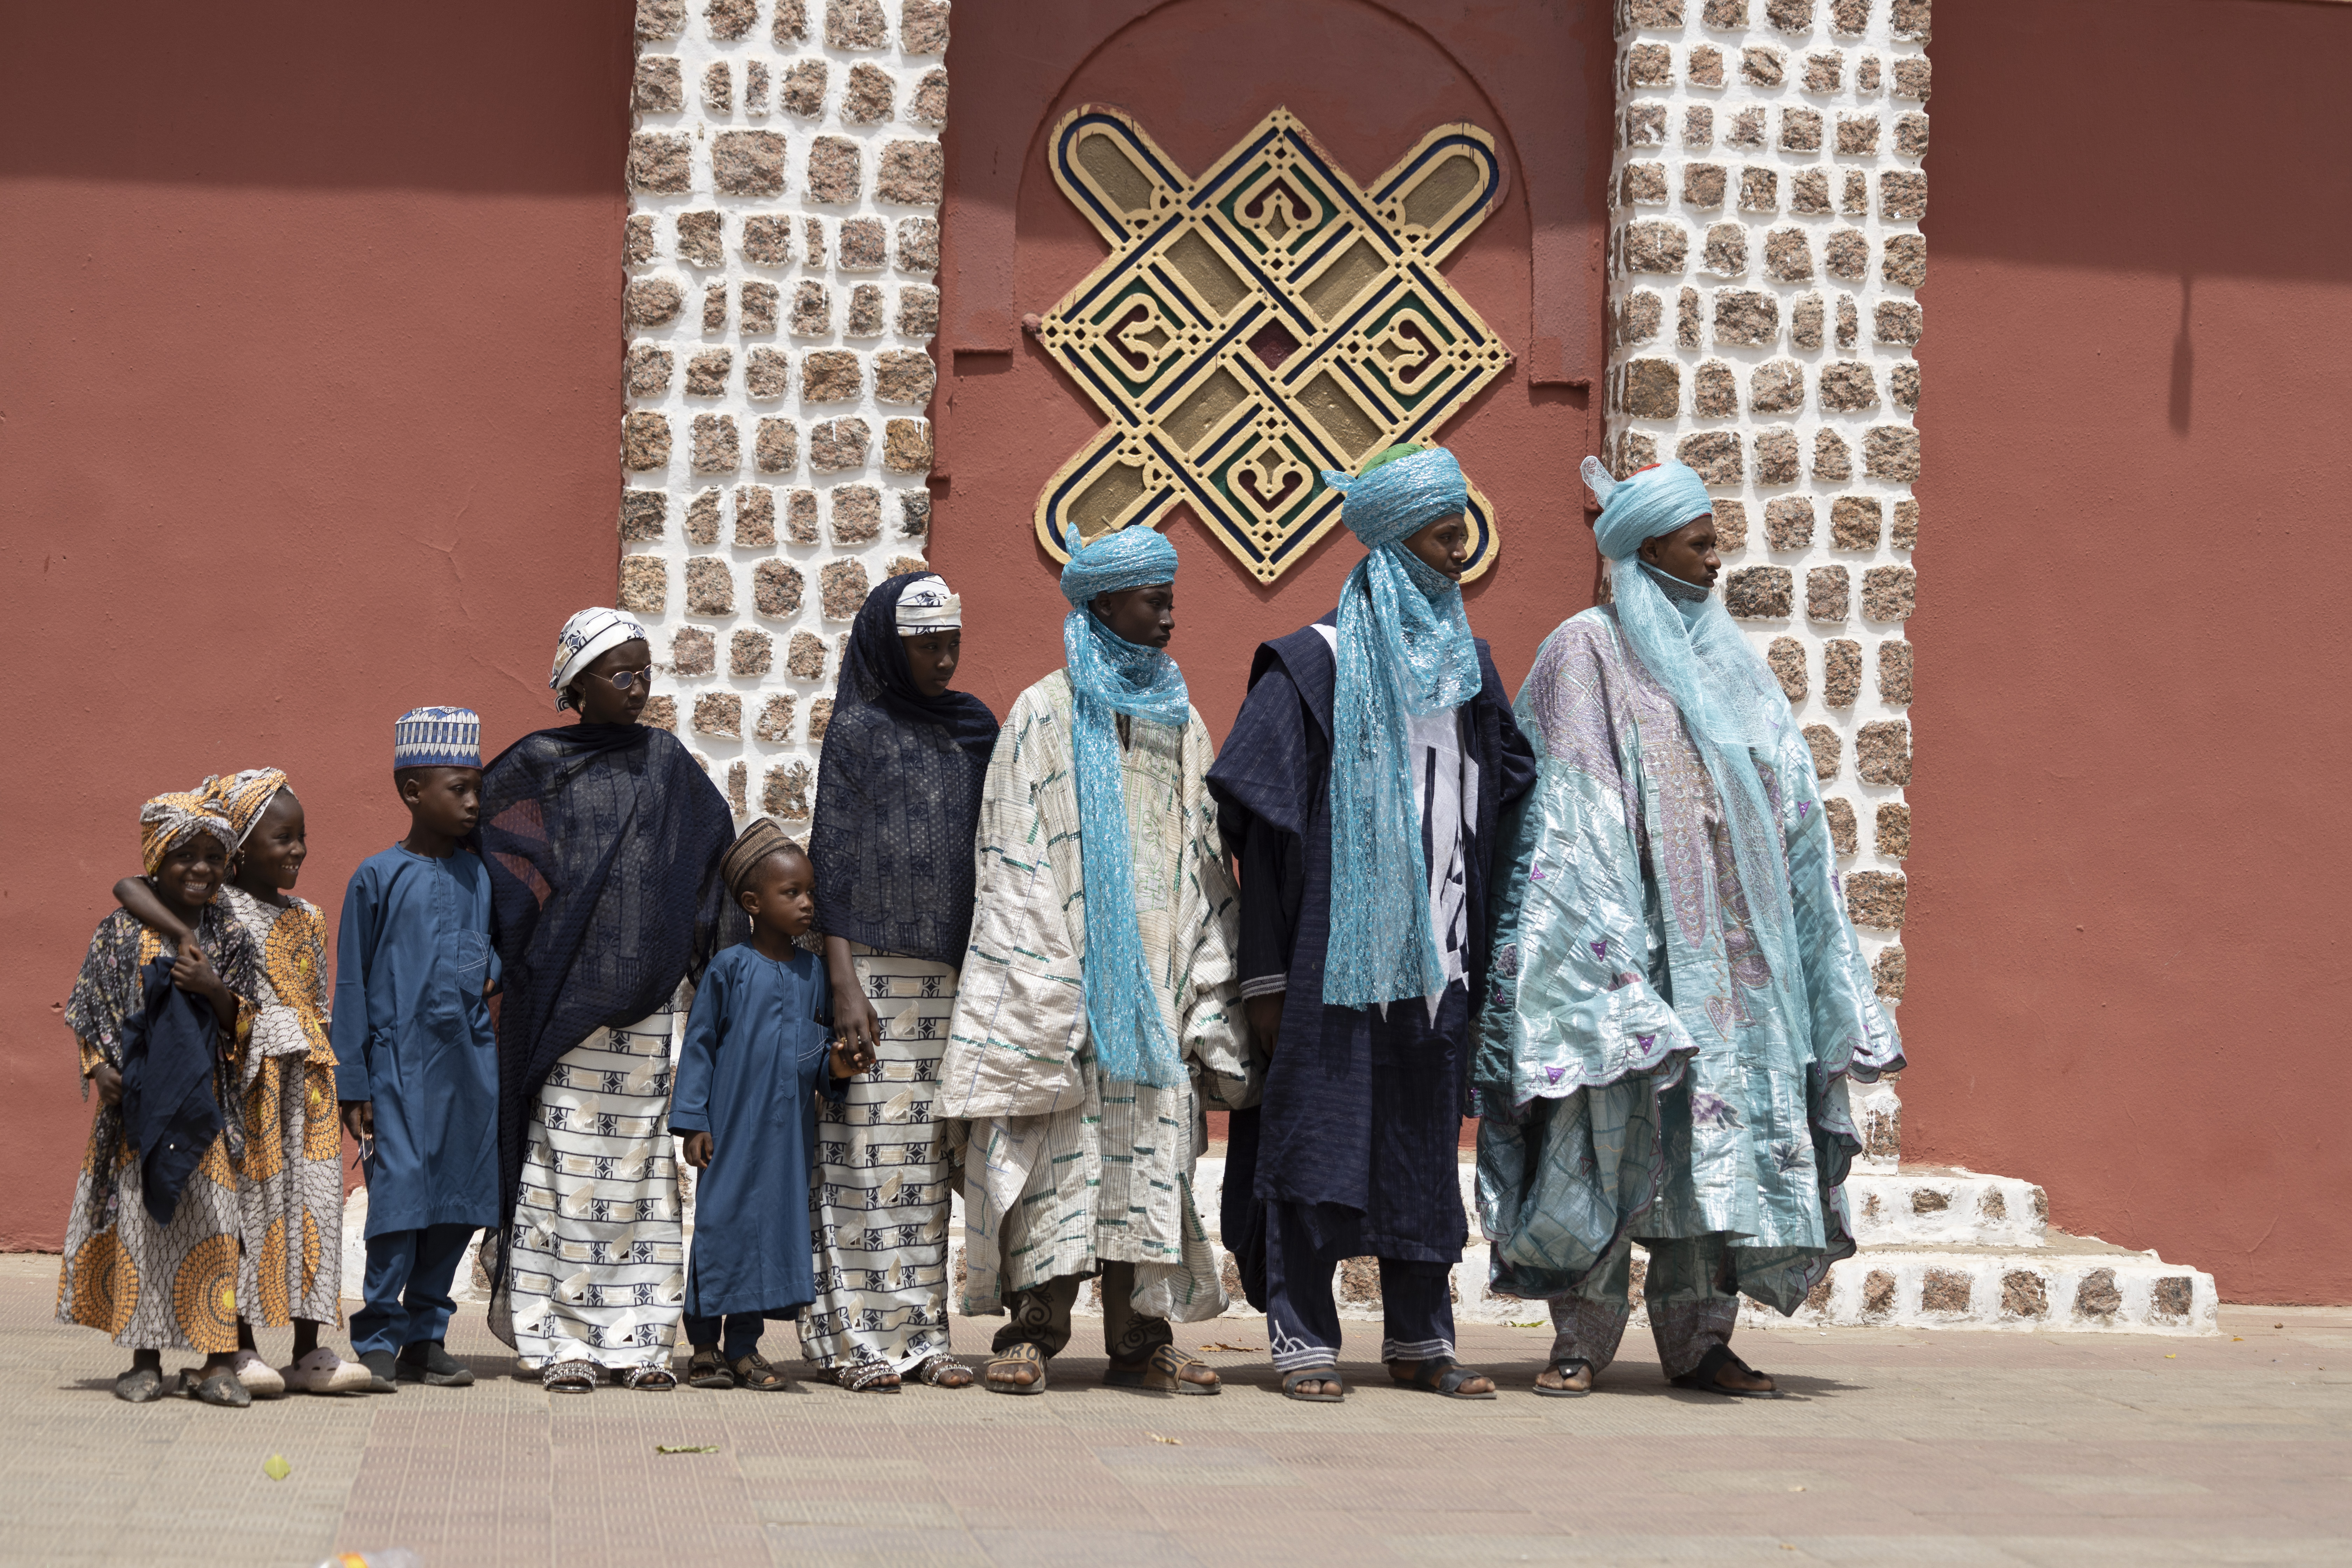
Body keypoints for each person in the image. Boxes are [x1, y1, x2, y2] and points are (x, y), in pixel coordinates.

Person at [1471, 457, 1903, 1398]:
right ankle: (1581, 1339)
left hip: (1740, 966)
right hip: (1632, 949)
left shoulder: (1732, 662)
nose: (1717, 558)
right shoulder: (1584, 651)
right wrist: (1610, 956)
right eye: (1702, 541)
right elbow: (1567, 804)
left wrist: (1810, 943)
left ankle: (1701, 1341)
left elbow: (1791, 805)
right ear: (1648, 546)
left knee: (1721, 1142)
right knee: (1604, 1127)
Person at [1207, 443, 1537, 1403]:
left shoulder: (1469, 671)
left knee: (1420, 1149)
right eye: (1444, 538)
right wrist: (1266, 979)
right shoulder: (1314, 665)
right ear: (1393, 542)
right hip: (1326, 960)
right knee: (1316, 1141)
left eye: (1465, 536)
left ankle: (1421, 1339)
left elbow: (1507, 800)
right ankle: (1303, 1336)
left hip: (1439, 954)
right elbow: (1259, 838)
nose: (1460, 555)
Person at [940, 524, 1254, 1398]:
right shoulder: (1043, 712)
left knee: (1149, 1164)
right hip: (1061, 989)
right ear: (1103, 604)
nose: (1168, 617)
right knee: (1054, 1163)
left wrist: (1194, 977)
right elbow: (1009, 850)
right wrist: (1052, 984)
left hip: (1152, 994)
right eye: (1153, 601)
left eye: (1171, 599)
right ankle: (1034, 1329)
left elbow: (1203, 852)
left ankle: (1140, 1337)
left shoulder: (1181, 719)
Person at [481, 607, 740, 1394]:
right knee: (562, 1173)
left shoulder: (667, 763)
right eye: (621, 675)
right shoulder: (538, 763)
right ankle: (556, 1338)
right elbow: (488, 844)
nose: (639, 687)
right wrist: (526, 941)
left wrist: (715, 974)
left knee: (637, 1175)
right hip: (563, 1012)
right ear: (575, 686)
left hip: (648, 1011)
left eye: (645, 671)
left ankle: (638, 1341)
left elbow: (710, 854)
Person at [113, 770, 372, 1396]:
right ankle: (243, 1347)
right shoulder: (215, 908)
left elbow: (316, 1002)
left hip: (306, 1084)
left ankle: (310, 1349)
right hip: (246, 1083)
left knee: (313, 1212)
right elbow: (128, 885)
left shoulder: (308, 915)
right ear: (240, 850)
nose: (299, 851)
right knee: (249, 1215)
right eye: (282, 838)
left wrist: (343, 1091)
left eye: (302, 837)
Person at [803, 572, 995, 1392]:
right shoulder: (857, 730)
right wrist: (844, 983)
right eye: (926, 645)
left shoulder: (976, 727)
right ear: (889, 643)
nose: (944, 658)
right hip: (874, 972)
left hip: (956, 975)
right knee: (862, 1158)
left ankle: (924, 1335)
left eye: (952, 640)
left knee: (926, 1164)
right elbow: (832, 862)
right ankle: (857, 1343)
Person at [60, 791, 264, 1406]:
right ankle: (143, 1360)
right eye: (184, 855)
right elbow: (88, 1009)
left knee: (216, 1230)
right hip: (138, 1117)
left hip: (210, 1113)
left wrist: (213, 989)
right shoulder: (119, 933)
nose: (201, 868)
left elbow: (247, 1021)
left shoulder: (230, 935)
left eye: (213, 856)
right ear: (155, 858)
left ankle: (219, 1361)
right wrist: (100, 1070)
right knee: (144, 1227)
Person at [331, 710, 502, 1393]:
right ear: (411, 788)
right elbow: (350, 978)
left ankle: (427, 1336)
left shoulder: (480, 877)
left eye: (476, 790)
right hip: (398, 1074)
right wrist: (355, 1079)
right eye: (457, 788)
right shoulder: (377, 877)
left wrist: (492, 964)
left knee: (458, 1205)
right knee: (398, 1206)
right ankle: (378, 1334)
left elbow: (489, 952)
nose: (471, 803)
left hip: (468, 1071)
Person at [674, 821, 872, 1392]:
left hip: (788, 1137)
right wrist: (694, 1122)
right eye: (793, 894)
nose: (807, 904)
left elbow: (812, 1056)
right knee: (722, 1229)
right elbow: (701, 1045)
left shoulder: (814, 975)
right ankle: (705, 1349)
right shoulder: (730, 968)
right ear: (753, 904)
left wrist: (837, 1068)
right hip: (731, 1131)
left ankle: (746, 1350)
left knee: (770, 1236)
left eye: (810, 892)